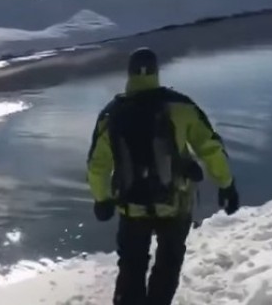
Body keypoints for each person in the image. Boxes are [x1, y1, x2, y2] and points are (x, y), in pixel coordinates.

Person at [86, 47, 240, 305]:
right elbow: (210, 148)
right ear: (157, 72)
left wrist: (101, 199)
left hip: (131, 206)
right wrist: (226, 184)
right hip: (175, 203)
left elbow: (97, 165)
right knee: (168, 262)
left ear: (129, 74)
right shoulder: (181, 106)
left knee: (131, 267)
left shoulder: (111, 113)